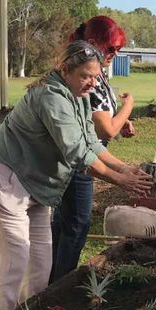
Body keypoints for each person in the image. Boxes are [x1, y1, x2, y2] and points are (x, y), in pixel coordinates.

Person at [0, 41, 151, 310]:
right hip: (7, 177)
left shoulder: (78, 95)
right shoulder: (50, 96)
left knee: (40, 263)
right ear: (64, 69)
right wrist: (120, 180)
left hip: (37, 185)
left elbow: (90, 141)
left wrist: (124, 167)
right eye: (85, 76)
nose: (92, 83)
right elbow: (78, 153)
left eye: (96, 77)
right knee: (14, 260)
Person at [50, 16, 136, 284]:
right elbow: (105, 130)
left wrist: (122, 120)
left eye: (119, 49)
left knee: (65, 223)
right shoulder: (87, 78)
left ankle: (51, 280)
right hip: (79, 157)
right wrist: (128, 107)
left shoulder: (96, 72)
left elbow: (100, 123)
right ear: (92, 42)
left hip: (85, 150)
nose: (115, 54)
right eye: (111, 48)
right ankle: (61, 283)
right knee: (76, 224)